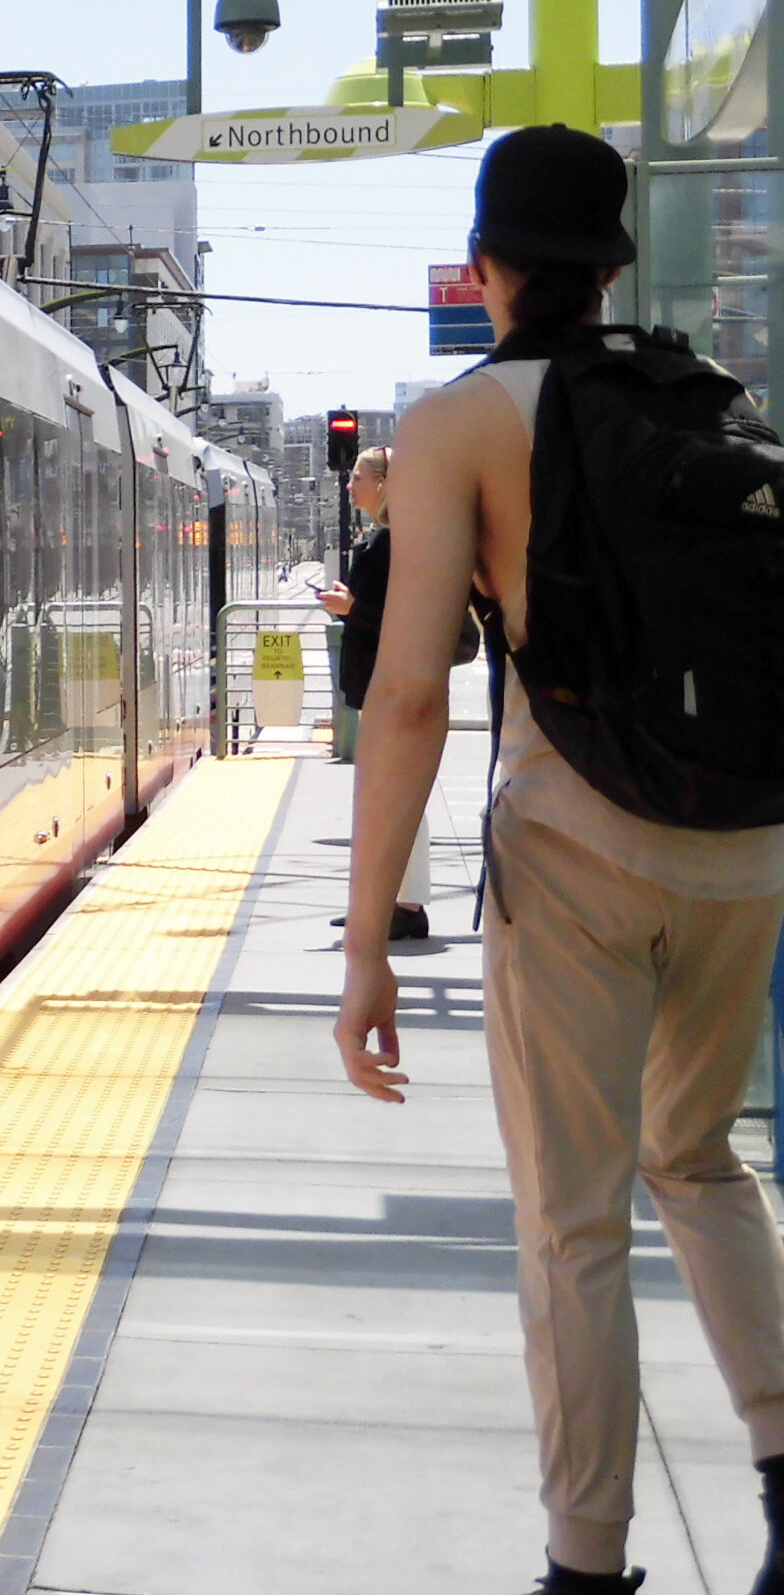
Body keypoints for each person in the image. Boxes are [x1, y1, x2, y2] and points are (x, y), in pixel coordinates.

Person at [334, 124, 784, 1595]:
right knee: (697, 1157)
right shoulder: (715, 402)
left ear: (485, 268)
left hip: (576, 850)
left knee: (571, 1224)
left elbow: (409, 697)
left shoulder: (462, 420)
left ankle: (585, 1567)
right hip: (745, 845)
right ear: (611, 269)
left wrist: (367, 947)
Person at [319, 446, 432, 941]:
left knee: (397, 796)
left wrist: (352, 609)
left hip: (392, 686)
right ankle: (389, 902)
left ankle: (405, 905)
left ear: (384, 483)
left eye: (358, 477)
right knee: (388, 796)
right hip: (384, 686)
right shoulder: (390, 538)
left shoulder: (396, 542)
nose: (350, 486)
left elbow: (405, 620)